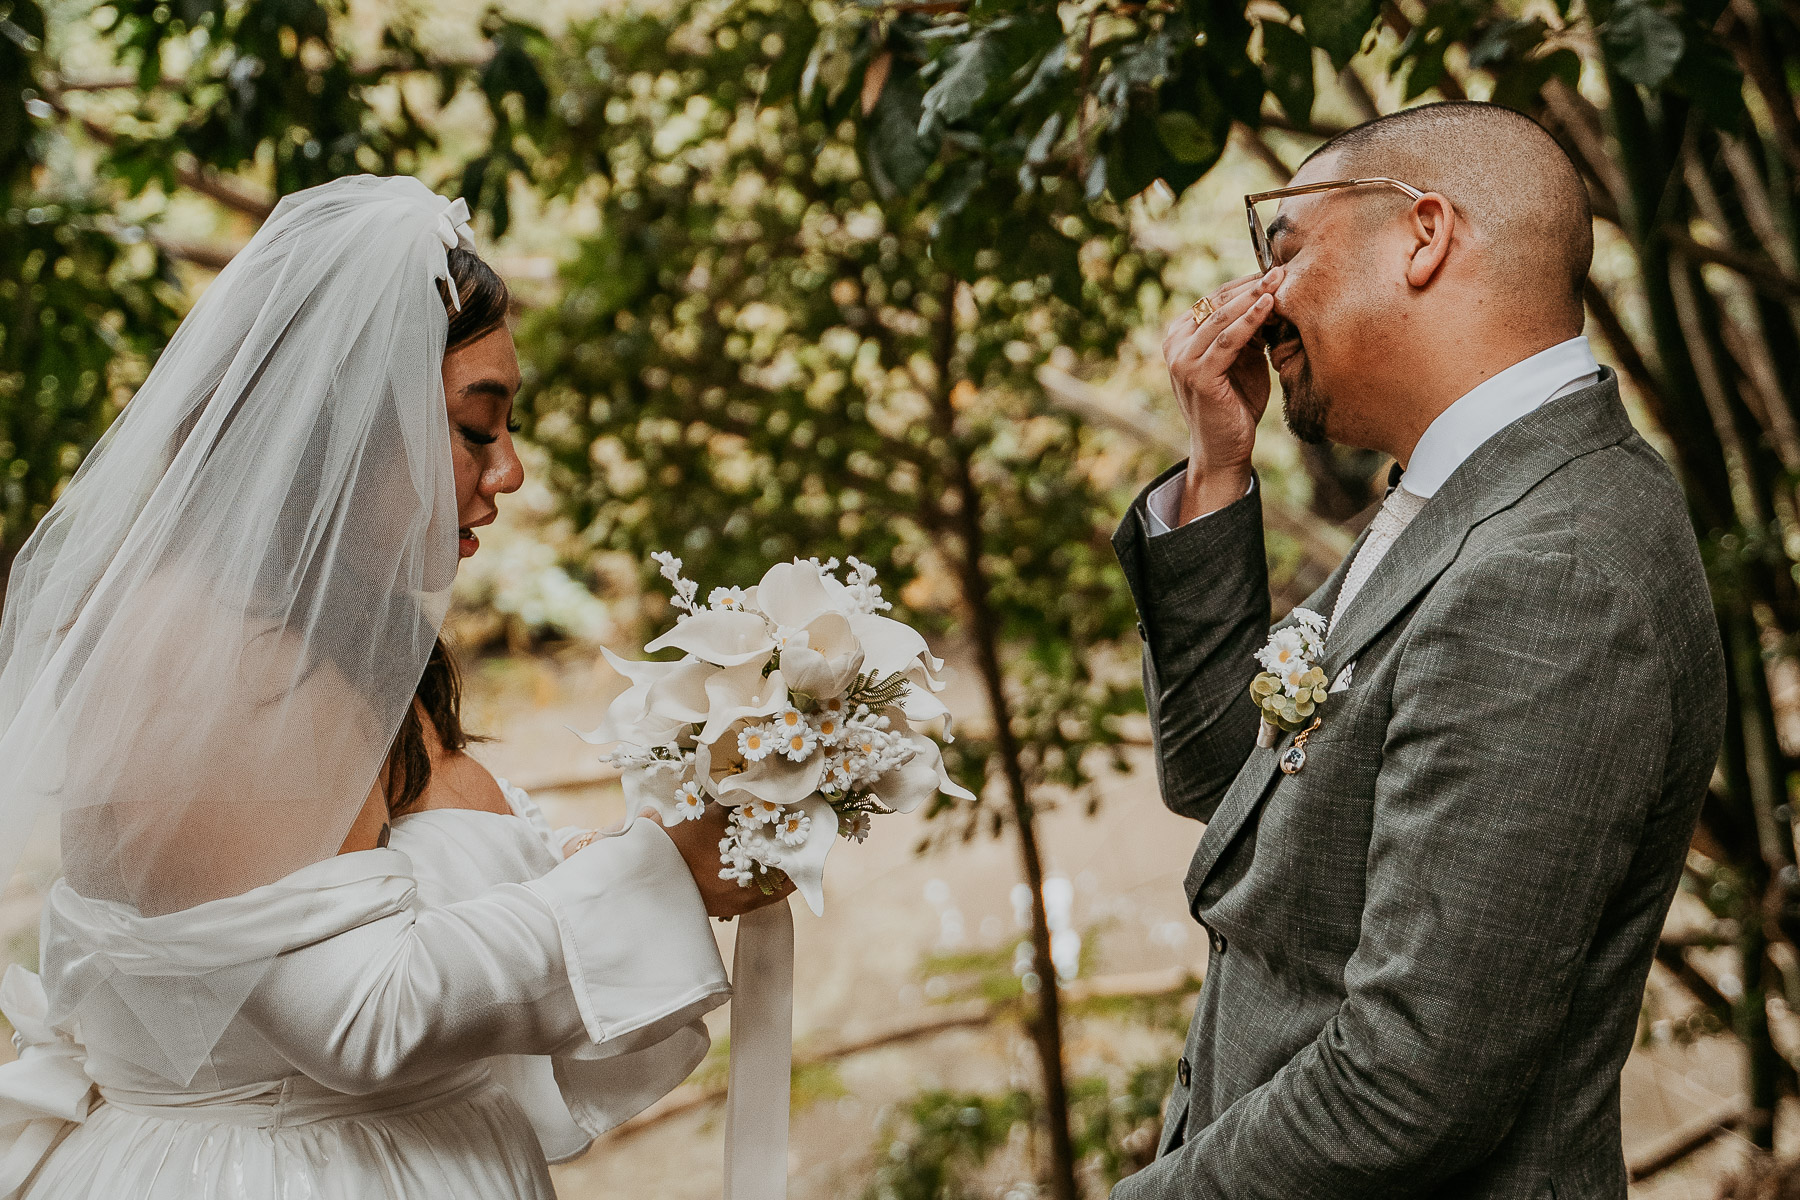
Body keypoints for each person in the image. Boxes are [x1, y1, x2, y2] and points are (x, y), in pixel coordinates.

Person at [0, 174, 787, 1200]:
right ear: (341, 426)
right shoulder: (221, 657)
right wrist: (655, 879)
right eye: (475, 429)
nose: (510, 474)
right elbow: (356, 1013)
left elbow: (383, 892)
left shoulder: (332, 639)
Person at [1111, 101, 1725, 1199]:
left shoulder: (1553, 566)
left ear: (1424, 235)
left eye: (1283, 249)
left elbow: (1409, 1081)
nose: (1255, 302)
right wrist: (1214, 468)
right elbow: (1226, 784)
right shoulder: (1465, 500)